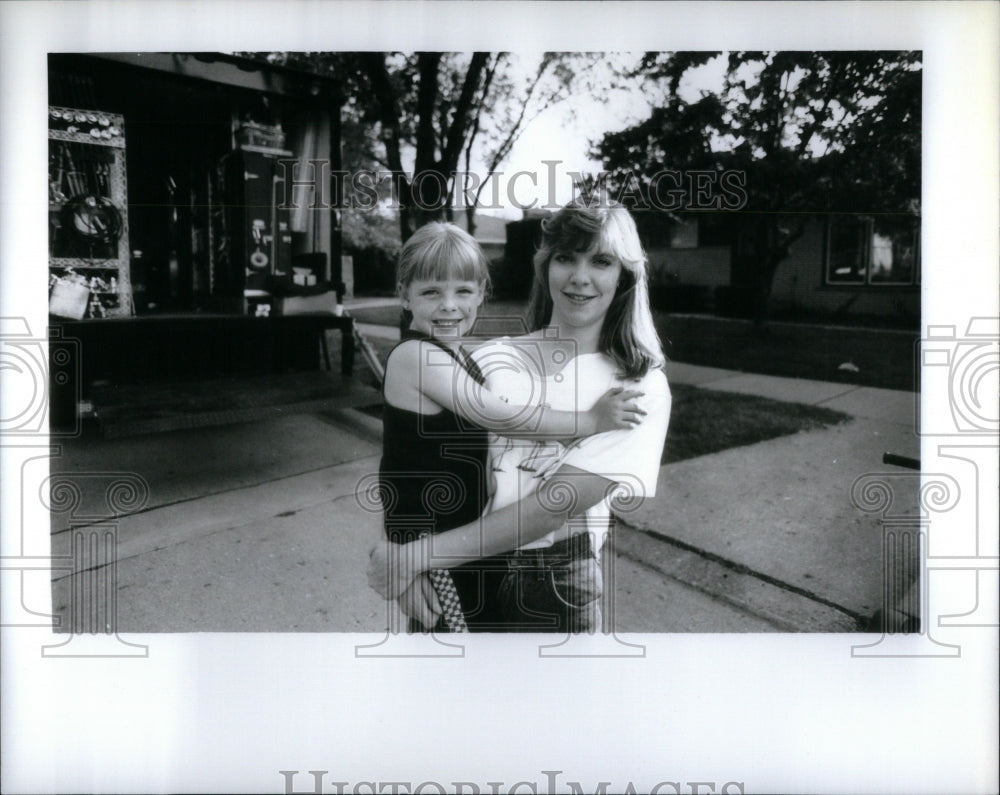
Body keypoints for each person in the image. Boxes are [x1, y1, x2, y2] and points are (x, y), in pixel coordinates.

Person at [369, 200, 671, 633]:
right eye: (566, 257)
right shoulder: (492, 358)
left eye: (601, 261)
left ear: (624, 275)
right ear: (546, 266)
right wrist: (402, 558)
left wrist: (411, 557)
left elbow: (549, 510)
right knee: (450, 695)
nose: (580, 277)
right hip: (458, 564)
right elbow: (413, 459)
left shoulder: (636, 387)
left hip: (552, 581)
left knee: (542, 702)